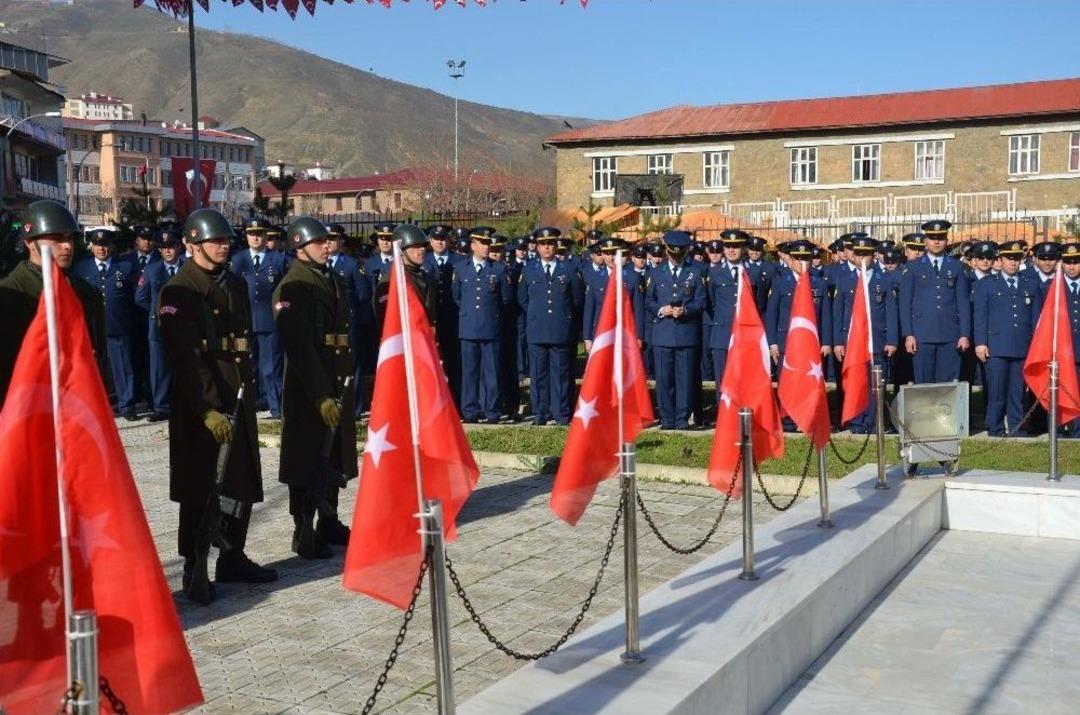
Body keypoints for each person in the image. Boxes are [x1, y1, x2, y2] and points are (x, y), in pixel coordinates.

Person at [157, 208, 277, 600]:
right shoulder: (179, 290)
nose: (224, 246)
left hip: (237, 397)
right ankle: (194, 563)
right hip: (200, 407)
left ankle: (232, 555)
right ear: (193, 244)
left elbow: (243, 346)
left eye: (227, 241)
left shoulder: (235, 284)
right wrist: (208, 408)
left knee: (239, 483)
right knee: (200, 486)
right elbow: (184, 356)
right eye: (216, 241)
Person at [272, 217, 357, 558]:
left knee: (333, 454)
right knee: (307, 458)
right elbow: (300, 347)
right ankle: (303, 525)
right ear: (300, 245)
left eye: (329, 241)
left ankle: (330, 518)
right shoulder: (292, 287)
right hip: (308, 389)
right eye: (320, 241)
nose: (327, 245)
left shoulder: (333, 279)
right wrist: (320, 395)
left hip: (335, 378)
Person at [0, 200, 104, 407]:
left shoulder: (84, 292)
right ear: (30, 242)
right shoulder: (11, 295)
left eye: (69, 238)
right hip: (30, 406)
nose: (67, 246)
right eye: (56, 238)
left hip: (76, 404)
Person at [973, 240, 1042, 437]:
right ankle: (994, 427)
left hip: (1022, 346)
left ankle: (1016, 427)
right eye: (1009, 258)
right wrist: (980, 343)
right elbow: (980, 315)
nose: (1013, 262)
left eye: (1017, 258)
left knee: (1017, 392)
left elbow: (1036, 319)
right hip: (996, 346)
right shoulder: (986, 285)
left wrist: (1035, 346)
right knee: (996, 391)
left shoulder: (1031, 284)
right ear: (1000, 260)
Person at [72, 227, 140, 420]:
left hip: (118, 326)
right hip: (92, 329)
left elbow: (133, 298)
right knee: (93, 369)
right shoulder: (81, 268)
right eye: (97, 245)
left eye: (105, 245)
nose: (101, 249)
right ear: (91, 246)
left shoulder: (125, 268)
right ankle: (96, 405)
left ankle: (127, 405)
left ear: (112, 246)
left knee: (124, 368)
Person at [832, 236, 898, 434]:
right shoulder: (844, 281)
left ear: (873, 255)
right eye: (858, 253)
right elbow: (838, 314)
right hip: (852, 342)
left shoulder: (884, 279)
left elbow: (891, 312)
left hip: (876, 341)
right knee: (856, 382)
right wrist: (837, 342)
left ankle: (871, 421)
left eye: (866, 254)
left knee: (876, 383)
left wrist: (892, 340)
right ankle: (856, 420)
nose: (862, 258)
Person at [519, 227, 582, 425]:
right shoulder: (529, 269)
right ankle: (541, 413)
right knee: (538, 375)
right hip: (537, 330)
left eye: (550, 244)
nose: (547, 248)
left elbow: (577, 299)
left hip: (560, 330)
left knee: (561, 374)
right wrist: (537, 316)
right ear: (537, 247)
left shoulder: (569, 270)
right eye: (543, 244)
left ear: (556, 246)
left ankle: (561, 413)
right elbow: (523, 299)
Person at [647, 230, 706, 430]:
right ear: (667, 251)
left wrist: (686, 310)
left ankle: (682, 419)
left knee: (685, 380)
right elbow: (649, 301)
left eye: (679, 254)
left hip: (686, 333)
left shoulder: (695, 272)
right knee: (664, 380)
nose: (676, 257)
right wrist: (661, 310)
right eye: (672, 253)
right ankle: (667, 418)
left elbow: (701, 301)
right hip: (663, 334)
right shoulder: (656, 272)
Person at [453, 226, 513, 423]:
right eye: (483, 243)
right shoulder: (461, 268)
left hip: (491, 328)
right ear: (473, 245)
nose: (487, 247)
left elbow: (505, 299)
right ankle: (470, 410)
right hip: (469, 328)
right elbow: (458, 296)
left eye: (488, 243)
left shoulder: (499, 269)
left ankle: (492, 411)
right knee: (469, 372)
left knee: (492, 373)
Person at [898, 219, 971, 383]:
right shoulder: (913, 267)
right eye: (932, 237)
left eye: (941, 237)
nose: (936, 241)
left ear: (947, 240)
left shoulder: (956, 266)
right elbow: (905, 304)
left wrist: (964, 334)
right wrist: (908, 335)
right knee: (924, 385)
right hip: (922, 335)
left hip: (950, 334)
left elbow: (963, 303)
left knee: (947, 386)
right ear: (925, 241)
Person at [229, 217, 287, 418]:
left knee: (271, 367)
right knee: (245, 366)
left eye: (259, 233)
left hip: (269, 321)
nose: (255, 237)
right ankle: (246, 405)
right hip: (244, 322)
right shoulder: (238, 260)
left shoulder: (278, 259)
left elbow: (286, 290)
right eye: (251, 234)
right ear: (245, 236)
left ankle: (276, 407)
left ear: (265, 236)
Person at [134, 224, 186, 422]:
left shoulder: (186, 268)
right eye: (163, 247)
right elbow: (140, 297)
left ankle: (184, 403)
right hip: (158, 328)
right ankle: (161, 406)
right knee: (159, 369)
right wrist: (157, 311)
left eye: (171, 246)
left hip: (183, 327)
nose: (167, 250)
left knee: (183, 366)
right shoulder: (151, 270)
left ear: (179, 247)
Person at [326, 223, 375, 418]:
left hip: (348, 322)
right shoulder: (319, 264)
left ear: (341, 241)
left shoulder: (351, 264)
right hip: (328, 323)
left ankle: (353, 408)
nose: (329, 243)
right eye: (326, 239)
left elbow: (363, 295)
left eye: (333, 239)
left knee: (350, 365)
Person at [424, 224, 462, 406]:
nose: (440, 242)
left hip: (452, 318)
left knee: (454, 362)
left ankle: (456, 402)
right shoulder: (424, 260)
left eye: (443, 239)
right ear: (430, 241)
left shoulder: (459, 261)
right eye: (436, 239)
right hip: (429, 319)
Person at [375, 224, 438, 328]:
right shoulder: (391, 280)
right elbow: (385, 320)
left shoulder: (427, 277)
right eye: (416, 246)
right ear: (401, 250)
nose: (422, 249)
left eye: (423, 245)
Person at [1061, 243, 1080, 437]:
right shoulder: (1053, 287)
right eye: (1067, 262)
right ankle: (1059, 429)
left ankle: (1078, 431)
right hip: (1062, 349)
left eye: (1075, 262)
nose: (1071, 266)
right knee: (1062, 392)